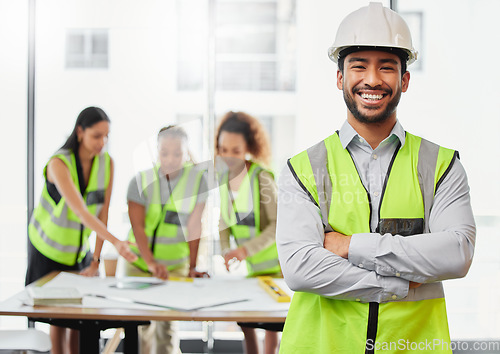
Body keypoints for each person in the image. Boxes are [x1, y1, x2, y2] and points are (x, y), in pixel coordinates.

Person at [276, 3, 476, 354]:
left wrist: (349, 246)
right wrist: (397, 283)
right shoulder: (304, 168)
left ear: (405, 80)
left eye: (386, 67)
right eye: (359, 66)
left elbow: (457, 253)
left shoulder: (441, 165)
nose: (372, 79)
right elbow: (300, 267)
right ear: (340, 78)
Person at [26, 106, 137, 354]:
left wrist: (96, 260)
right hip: (48, 250)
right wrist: (117, 243)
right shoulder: (58, 163)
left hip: (77, 252)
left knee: (77, 319)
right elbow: (81, 212)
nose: (102, 142)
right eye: (97, 136)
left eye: (106, 136)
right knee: (58, 319)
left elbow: (103, 213)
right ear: (80, 132)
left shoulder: (107, 164)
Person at [124, 125, 208, 354]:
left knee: (167, 330)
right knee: (142, 331)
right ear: (156, 151)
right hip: (139, 265)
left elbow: (195, 225)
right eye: (165, 153)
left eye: (177, 153)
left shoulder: (198, 181)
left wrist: (192, 267)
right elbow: (138, 228)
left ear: (186, 152)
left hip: (175, 267)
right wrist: (151, 263)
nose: (171, 159)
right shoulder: (139, 182)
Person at [216, 111, 282, 354]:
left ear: (248, 147)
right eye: (223, 150)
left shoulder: (262, 178)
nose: (229, 157)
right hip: (253, 269)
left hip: (277, 268)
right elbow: (223, 222)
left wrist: (245, 249)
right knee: (245, 322)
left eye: (235, 151)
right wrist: (226, 251)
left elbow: (278, 226)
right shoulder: (222, 179)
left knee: (271, 331)